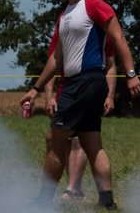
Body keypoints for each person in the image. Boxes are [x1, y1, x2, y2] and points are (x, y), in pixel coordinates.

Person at [21, 0, 140, 208]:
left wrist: (131, 75)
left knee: (55, 137)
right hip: (77, 82)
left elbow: (118, 38)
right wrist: (35, 89)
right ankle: (107, 203)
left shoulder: (94, 5)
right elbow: (56, 58)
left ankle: (42, 202)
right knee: (91, 142)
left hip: (86, 82)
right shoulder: (64, 15)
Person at [44, 45, 117, 202]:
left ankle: (69, 190)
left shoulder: (101, 32)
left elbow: (111, 63)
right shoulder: (64, 25)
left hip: (83, 87)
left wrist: (110, 95)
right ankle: (105, 200)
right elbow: (53, 62)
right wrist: (49, 95)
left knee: (72, 138)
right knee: (77, 139)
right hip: (67, 88)